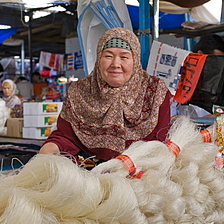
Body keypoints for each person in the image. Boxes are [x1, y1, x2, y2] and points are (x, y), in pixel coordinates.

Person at [39, 27, 172, 165]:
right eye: (108, 56)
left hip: (141, 173)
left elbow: (160, 143)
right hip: (89, 175)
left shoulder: (155, 91)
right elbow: (66, 136)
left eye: (124, 57)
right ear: (98, 59)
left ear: (135, 60)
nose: (115, 64)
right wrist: (52, 147)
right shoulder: (79, 92)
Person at [178, 33, 224, 118]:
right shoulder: (181, 77)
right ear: (200, 55)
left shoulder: (214, 80)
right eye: (215, 60)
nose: (219, 65)